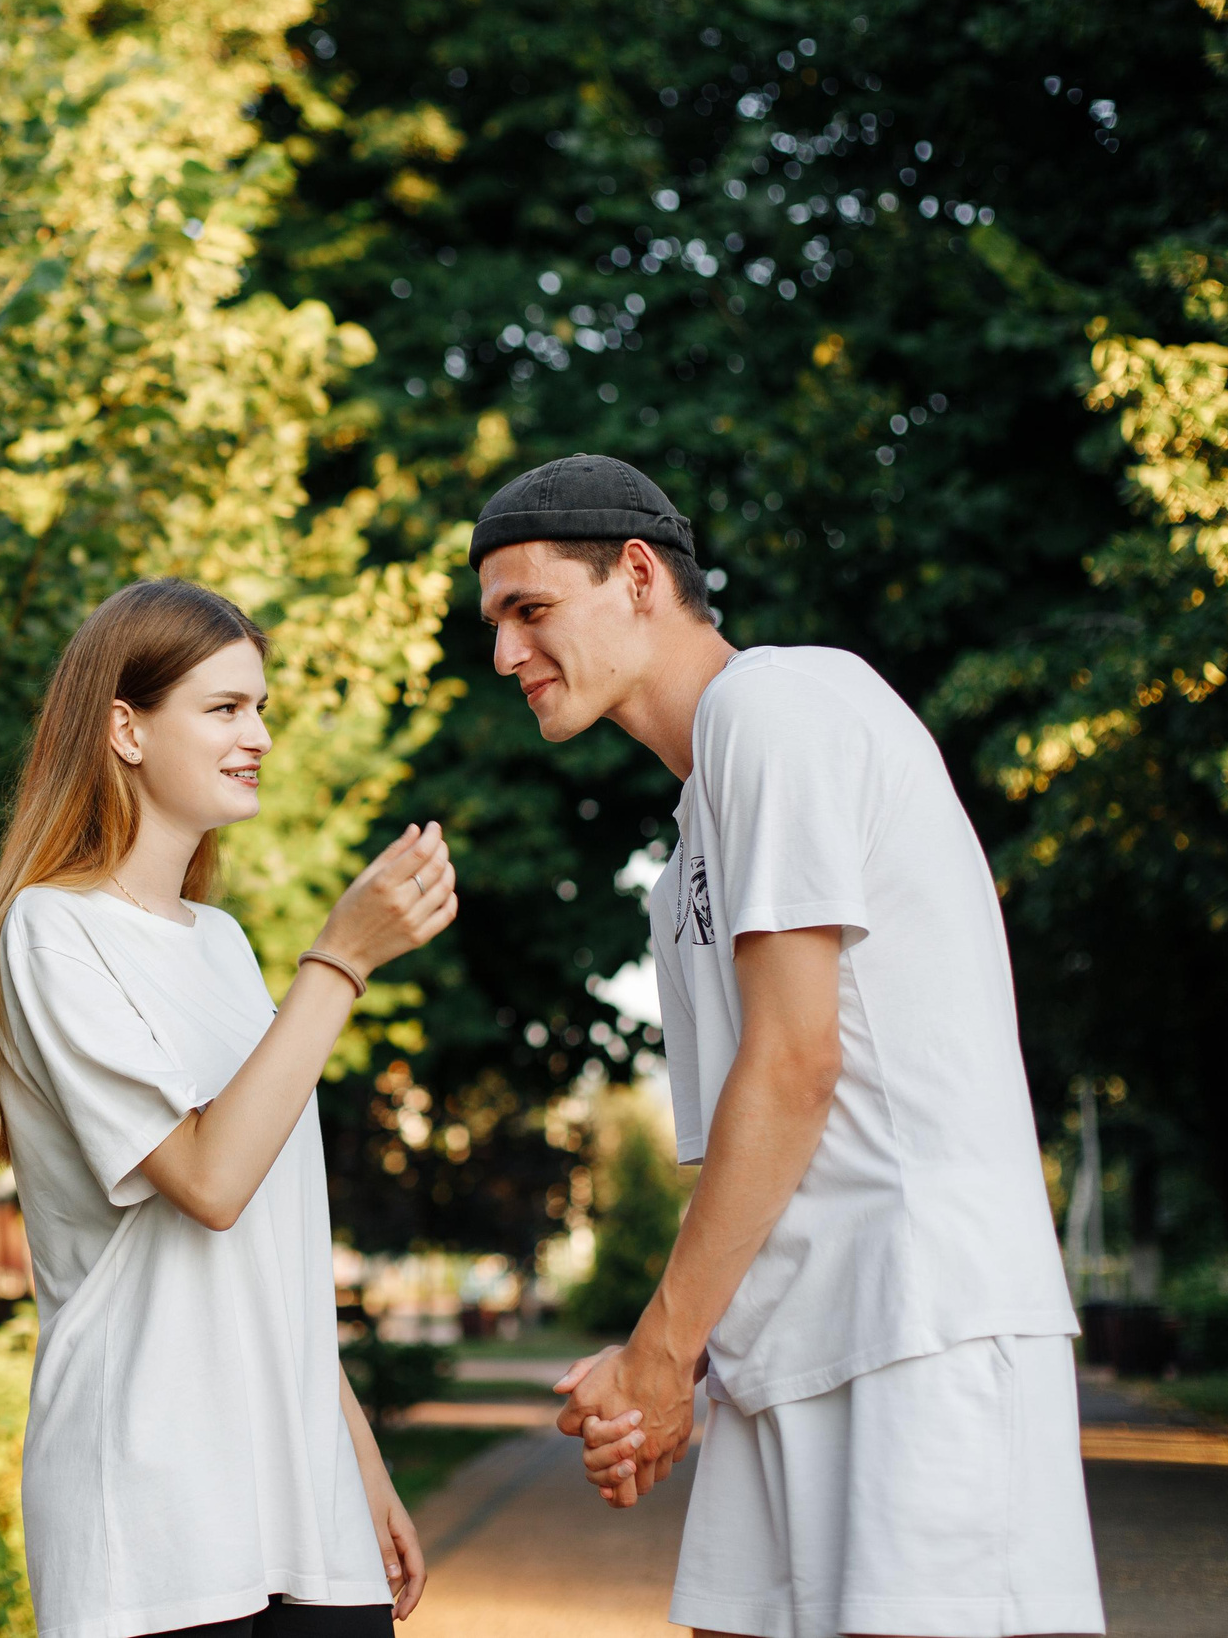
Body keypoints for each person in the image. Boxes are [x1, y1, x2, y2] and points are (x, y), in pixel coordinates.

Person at [471, 456, 1104, 1638]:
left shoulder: (783, 705)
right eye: (494, 624)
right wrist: (675, 1364)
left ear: (641, 577)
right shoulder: (680, 866)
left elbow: (795, 1062)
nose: (505, 654)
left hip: (917, 1323)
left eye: (530, 609)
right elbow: (747, 1150)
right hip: (787, 1346)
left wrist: (658, 1362)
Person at [0, 577, 460, 1638]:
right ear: (125, 728)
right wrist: (340, 960)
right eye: (225, 709)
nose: (258, 734)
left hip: (300, 1504)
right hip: (154, 1515)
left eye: (260, 708)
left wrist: (356, 1461)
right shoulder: (51, 932)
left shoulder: (220, 945)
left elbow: (269, 1252)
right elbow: (211, 1184)